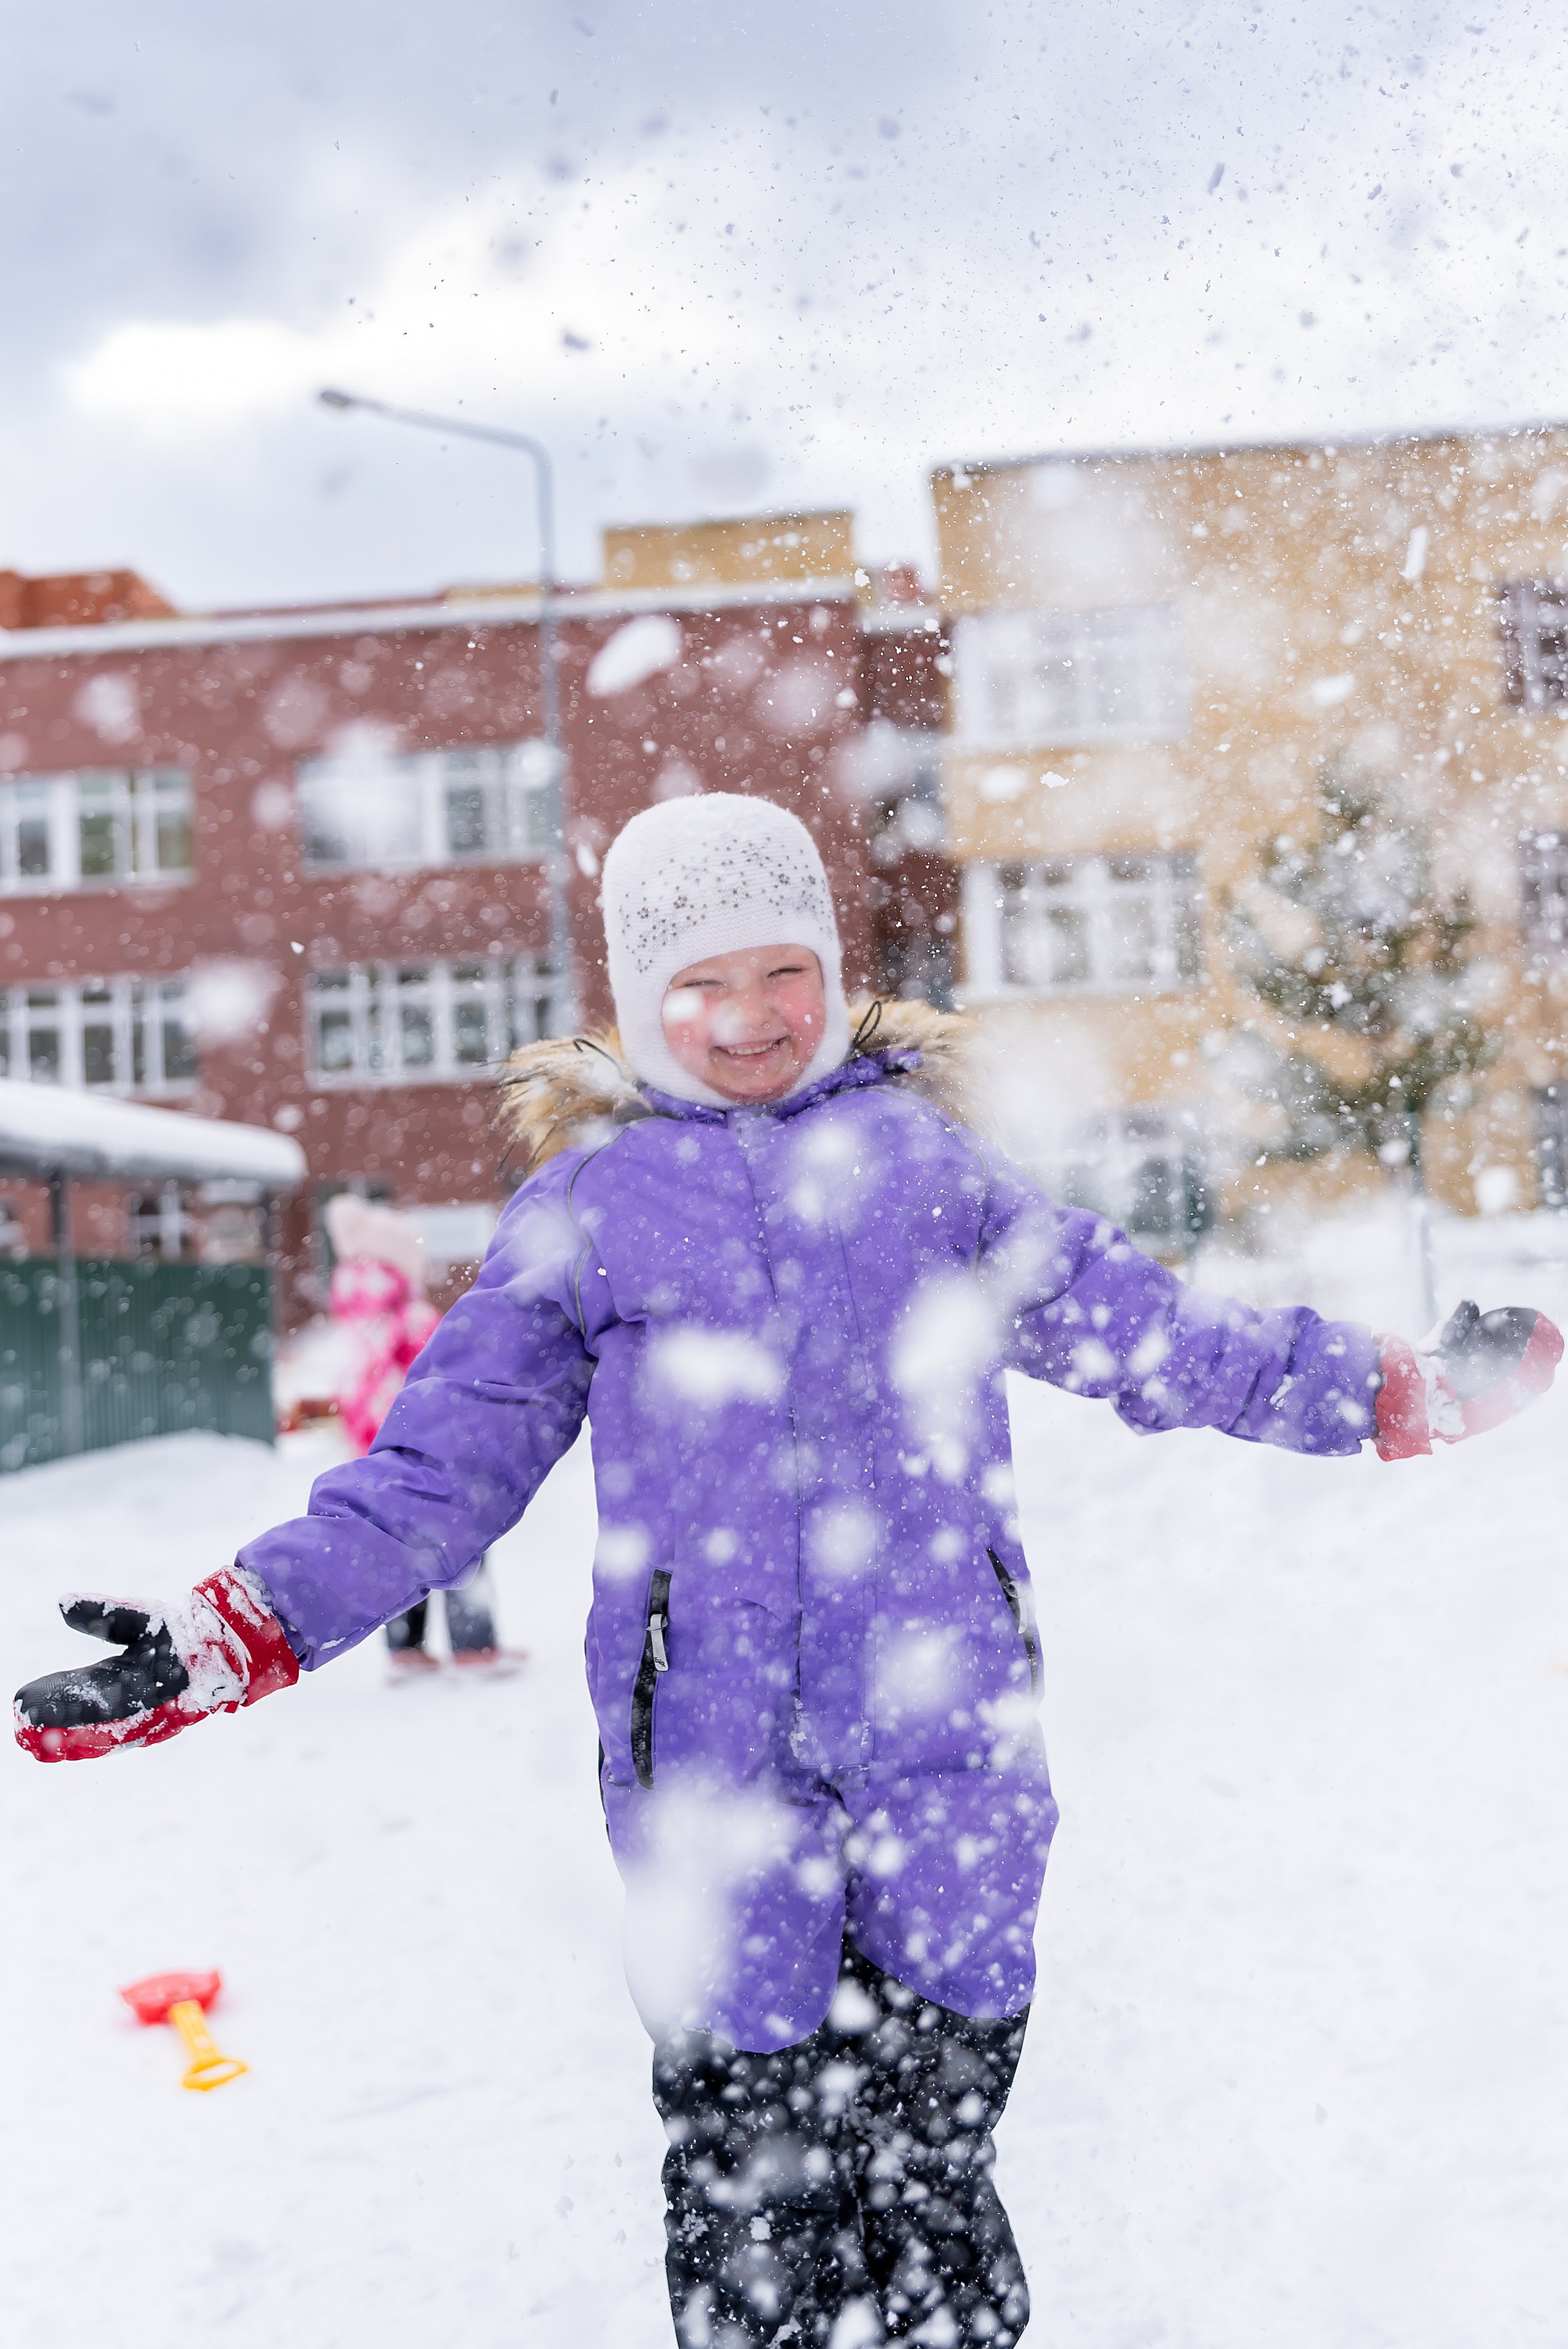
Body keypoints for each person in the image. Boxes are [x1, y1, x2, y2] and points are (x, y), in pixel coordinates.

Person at [15, 793, 1561, 2348]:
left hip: (947, 1746)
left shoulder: (922, 1168)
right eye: (697, 983)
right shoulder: (590, 1212)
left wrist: (1385, 1387)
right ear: (632, 994)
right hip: (709, 1766)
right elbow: (438, 1469)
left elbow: (1144, 1326)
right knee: (753, 2204)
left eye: (781, 972)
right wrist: (231, 1630)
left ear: (831, 967)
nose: (748, 1018)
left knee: (936, 2183)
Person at [323, 1191, 513, 1675]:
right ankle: (476, 1643)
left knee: (398, 1552)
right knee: (462, 1539)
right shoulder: (413, 1317)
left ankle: (405, 1647)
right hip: (428, 1450)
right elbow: (443, 1384)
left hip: (375, 1454)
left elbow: (352, 1391)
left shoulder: (355, 1317)